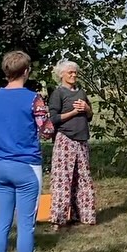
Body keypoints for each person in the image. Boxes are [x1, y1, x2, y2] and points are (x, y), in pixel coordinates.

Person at [0, 51, 53, 252]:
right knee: (26, 223)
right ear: (26, 71)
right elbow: (46, 130)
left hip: (2, 163)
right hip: (27, 165)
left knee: (2, 220)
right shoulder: (33, 98)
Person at [48, 60, 95, 231]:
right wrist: (74, 112)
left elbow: (90, 115)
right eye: (70, 73)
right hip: (65, 139)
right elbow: (53, 118)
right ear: (62, 75)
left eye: (75, 72)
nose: (74, 75)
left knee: (83, 178)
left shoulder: (81, 92)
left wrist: (86, 109)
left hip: (82, 139)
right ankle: (58, 218)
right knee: (62, 179)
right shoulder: (58, 93)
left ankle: (84, 215)